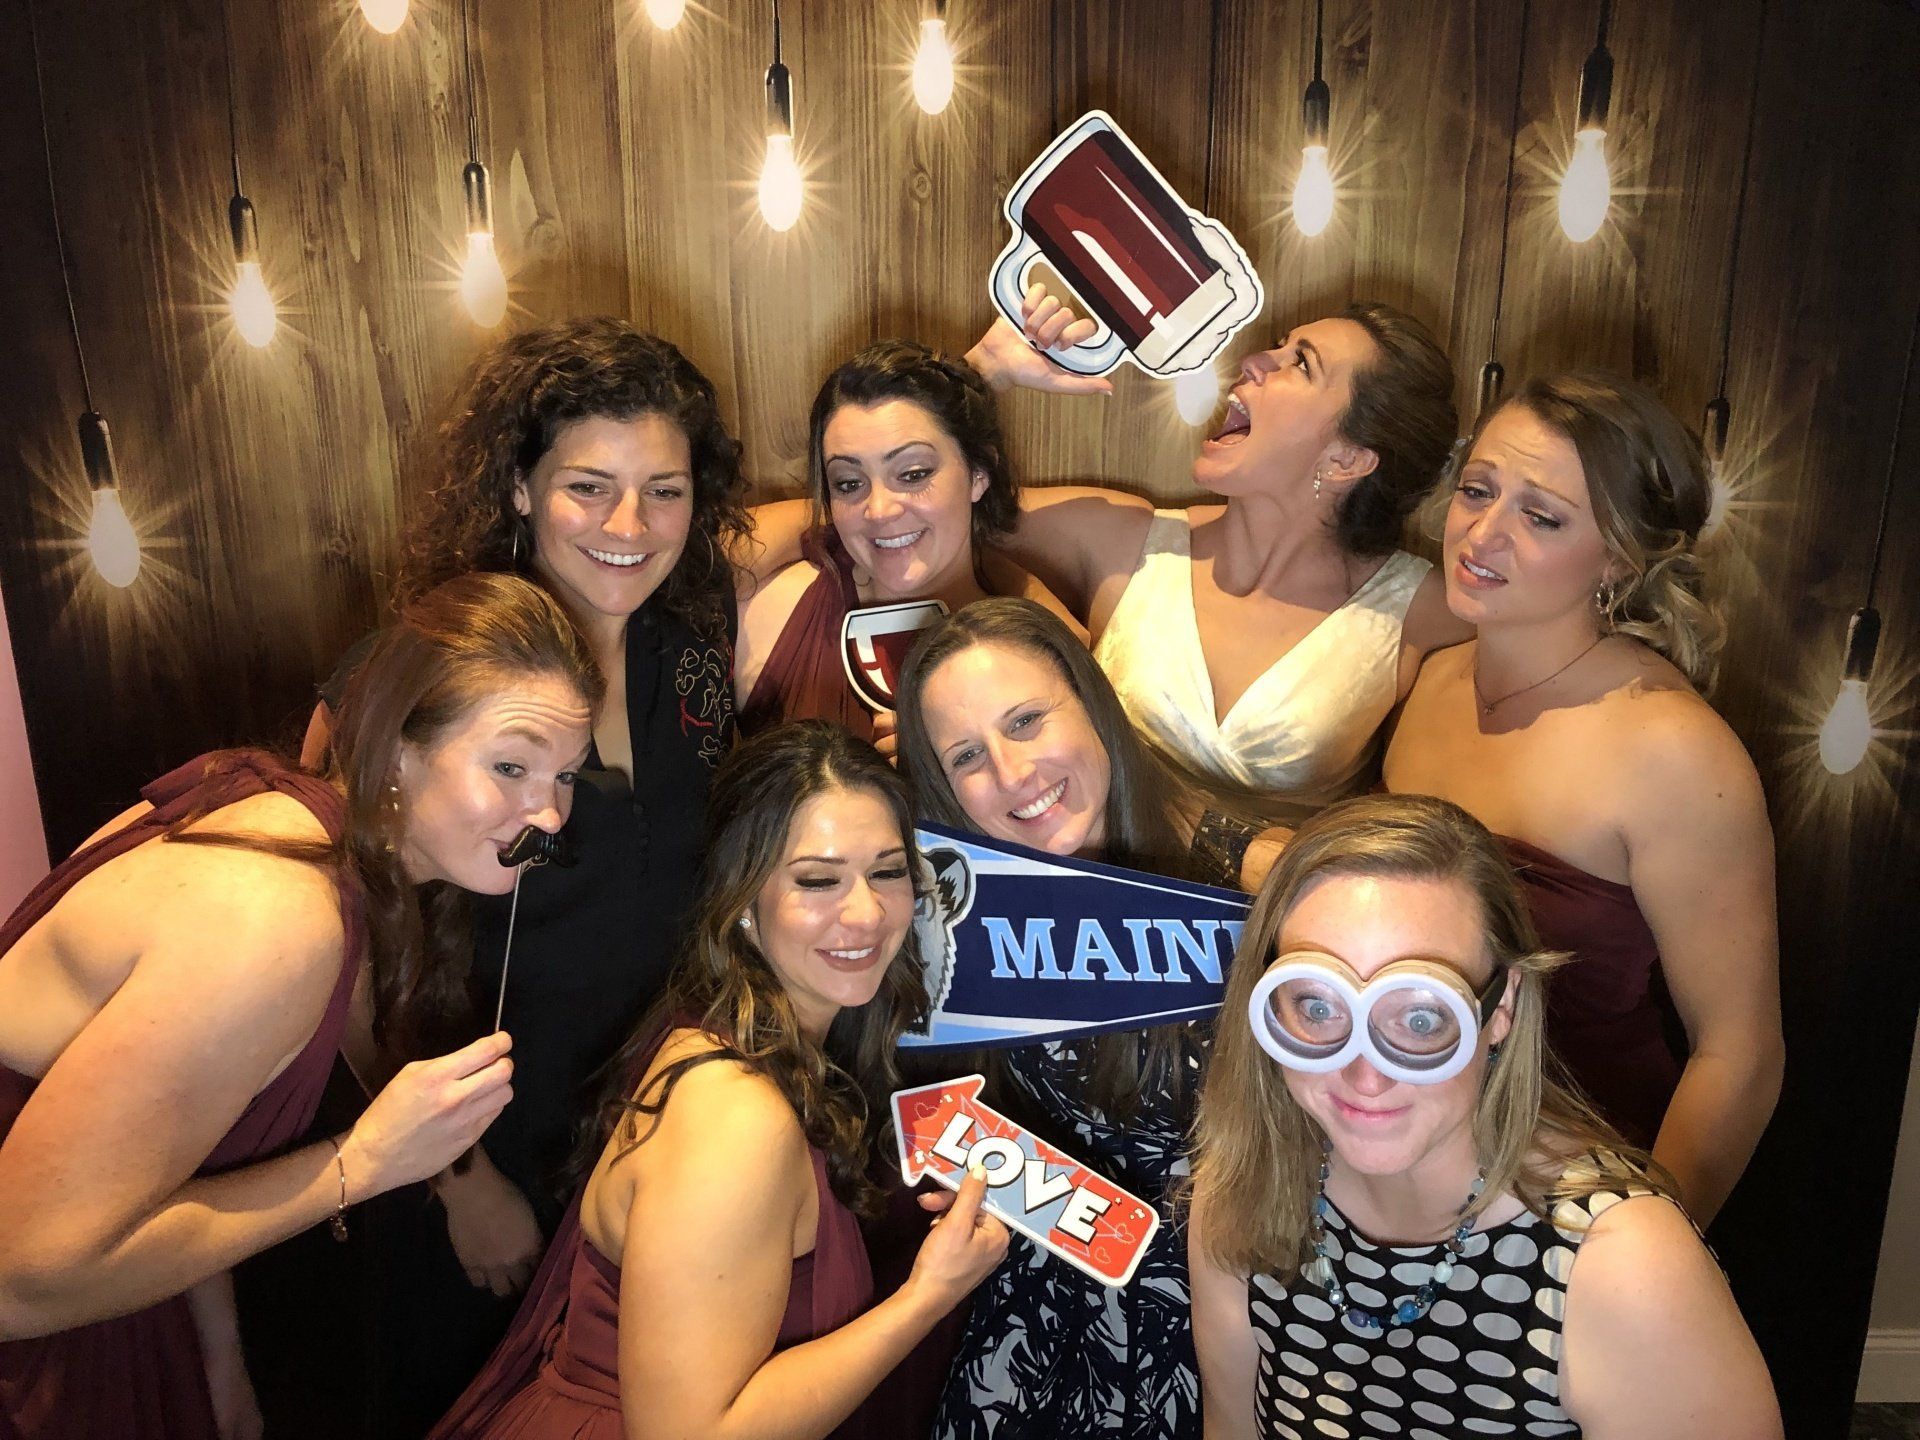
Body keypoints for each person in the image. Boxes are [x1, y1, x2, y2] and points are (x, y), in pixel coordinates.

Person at [290, 318, 765, 1432]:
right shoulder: (417, 671)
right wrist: (459, 1183)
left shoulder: (691, 657)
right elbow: (336, 960)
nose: (629, 526)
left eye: (666, 491)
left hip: (645, 1156)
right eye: (588, 488)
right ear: (517, 487)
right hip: (467, 1175)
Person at [0, 571, 596, 1440]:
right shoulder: (275, 920)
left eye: (567, 776)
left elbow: (168, 1140)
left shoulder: (300, 822)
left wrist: (219, 1365)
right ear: (397, 749)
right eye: (510, 766)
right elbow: (19, 1280)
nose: (547, 813)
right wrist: (363, 1162)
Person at [429, 721, 1008, 1440]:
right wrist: (927, 1297)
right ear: (742, 906)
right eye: (817, 880)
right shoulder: (738, 1115)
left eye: (888, 872)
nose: (866, 912)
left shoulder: (773, 1050)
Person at [1186, 792, 1782, 1438]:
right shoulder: (1242, 1191)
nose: (1365, 1072)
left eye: (1420, 1017)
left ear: (1501, 1007)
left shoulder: (1621, 1271)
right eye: (1319, 1006)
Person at [1381, 373, 1782, 1223]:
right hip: (1395, 1157)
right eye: (1478, 491)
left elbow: (1740, 1053)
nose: (1482, 534)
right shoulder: (1433, 677)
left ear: (1618, 559)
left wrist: (1642, 1252)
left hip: (1569, 1192)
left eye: (1542, 516)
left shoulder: (1671, 748)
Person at [891, 597, 1280, 1440]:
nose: (1010, 773)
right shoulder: (951, 911)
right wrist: (977, 1172)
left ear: (1092, 701)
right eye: (967, 755)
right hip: (1040, 1315)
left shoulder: (1261, 886)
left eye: (1026, 720)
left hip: (1237, 1321)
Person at [963, 293, 1470, 808]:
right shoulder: (1124, 541)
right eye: (1280, 345)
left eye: (1301, 363)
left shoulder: (1423, 611)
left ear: (1348, 460)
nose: (1255, 359)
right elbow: (930, 506)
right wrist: (982, 372)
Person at [736, 340, 1083, 749]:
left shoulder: (1040, 651)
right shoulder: (777, 608)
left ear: (979, 472)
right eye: (849, 483)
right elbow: (679, 556)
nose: (879, 509)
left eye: (914, 474)